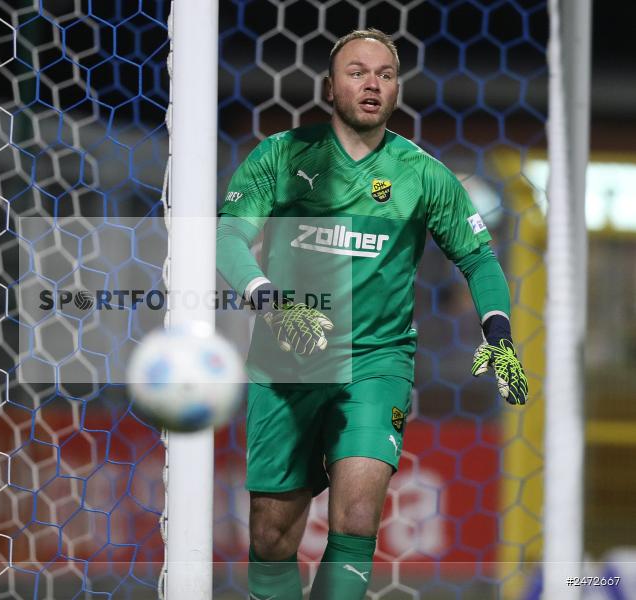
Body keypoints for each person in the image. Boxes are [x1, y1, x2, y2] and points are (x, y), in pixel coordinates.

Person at [215, 29, 528, 599]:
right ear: (329, 87)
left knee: (358, 515)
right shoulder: (281, 156)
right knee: (272, 532)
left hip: (377, 361)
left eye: (385, 75)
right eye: (357, 72)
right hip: (287, 360)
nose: (372, 84)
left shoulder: (423, 175)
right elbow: (229, 235)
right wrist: (268, 299)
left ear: (396, 89)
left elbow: (479, 258)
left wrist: (499, 332)